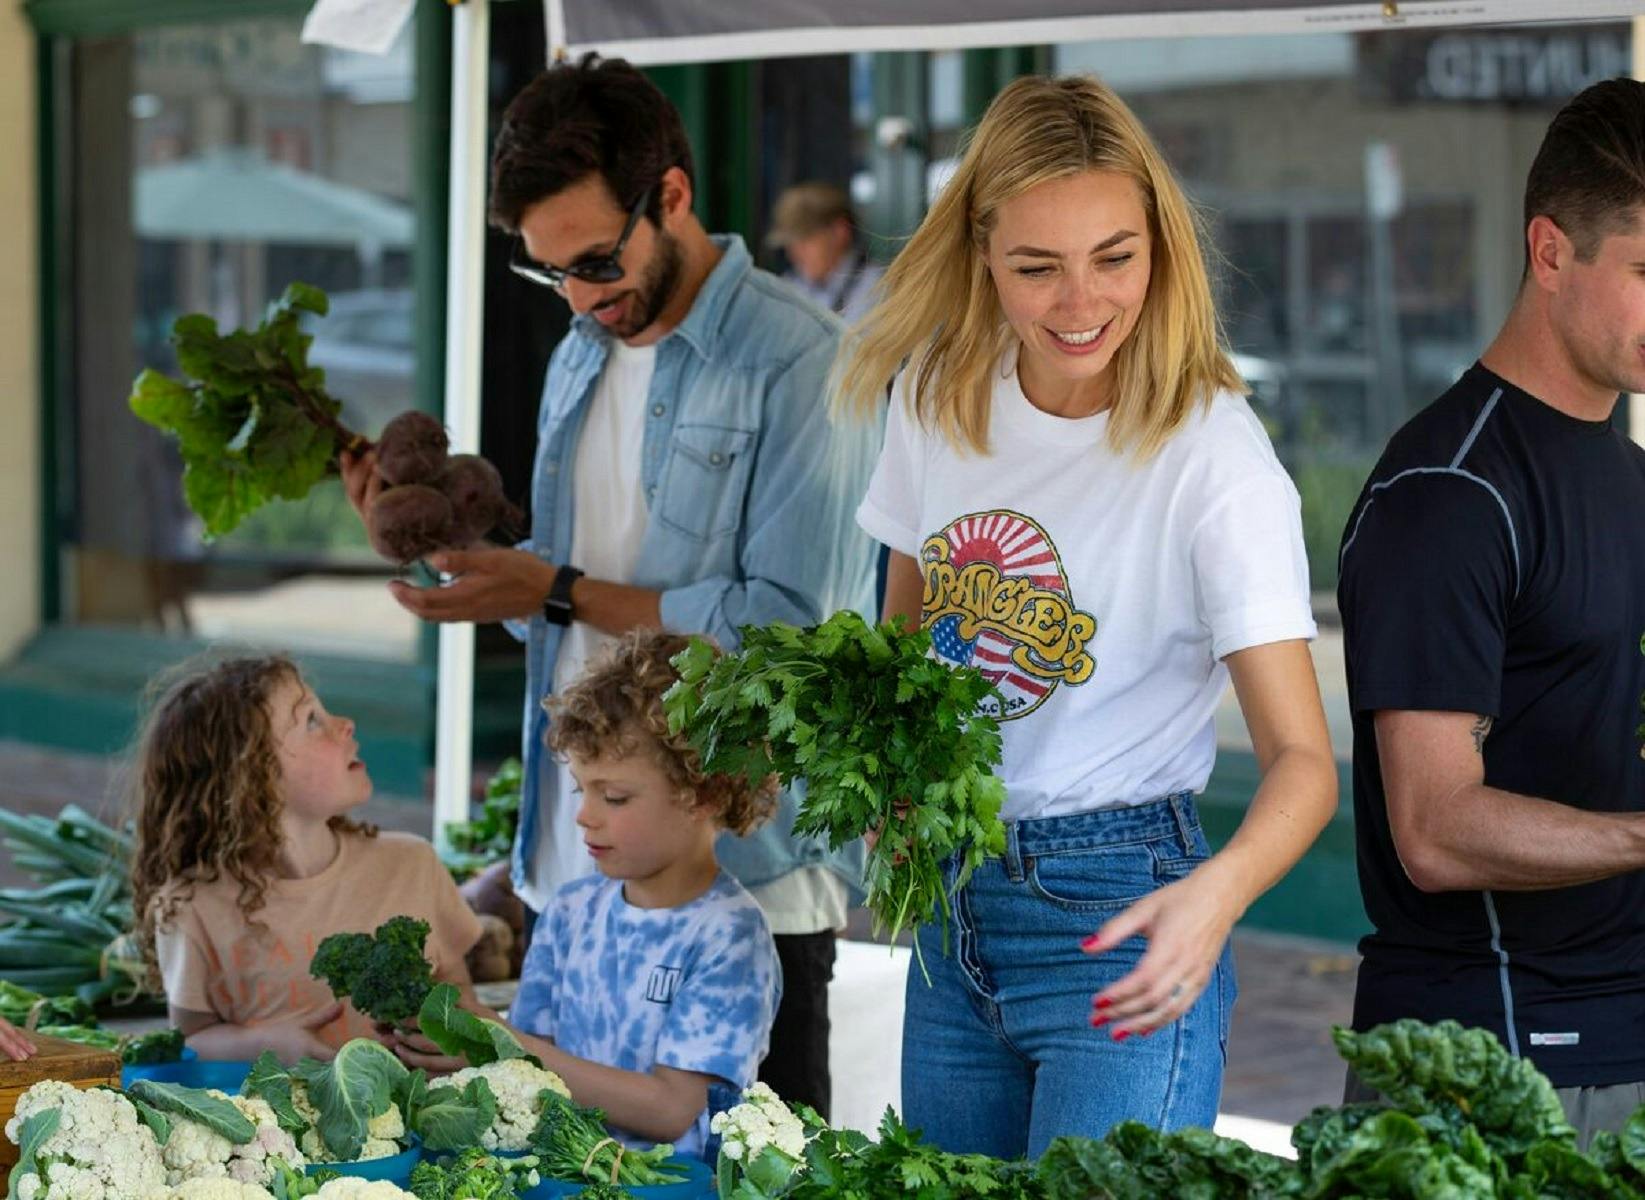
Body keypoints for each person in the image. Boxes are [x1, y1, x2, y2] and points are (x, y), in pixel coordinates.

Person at [340, 53, 873, 1119]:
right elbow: (576, 601)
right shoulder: (581, 351)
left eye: (593, 260)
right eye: (551, 276)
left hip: (744, 879)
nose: (580, 298)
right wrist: (470, 555)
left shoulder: (803, 361)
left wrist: (550, 589)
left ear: (669, 196)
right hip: (575, 875)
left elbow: (786, 631)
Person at [834, 73, 1338, 1157]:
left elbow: (1303, 760)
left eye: (1114, 258)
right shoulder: (936, 396)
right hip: (949, 909)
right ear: (980, 254)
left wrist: (1213, 902)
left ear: (1160, 249)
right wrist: (887, 788)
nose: (1080, 302)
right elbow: (900, 654)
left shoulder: (1213, 456)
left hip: (1121, 911)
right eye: (1036, 267)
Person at [1336, 78, 1645, 1143]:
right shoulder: (1448, 495)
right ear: (1551, 251)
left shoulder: (1630, 473)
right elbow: (1432, 829)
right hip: (1487, 1066)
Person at [390, 629, 781, 1159]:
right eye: (582, 788)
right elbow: (526, 1070)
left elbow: (672, 1110)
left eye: (615, 796)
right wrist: (467, 1040)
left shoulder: (730, 936)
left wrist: (505, 1041)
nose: (584, 815)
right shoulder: (570, 911)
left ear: (705, 793)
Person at [130, 654, 484, 1063]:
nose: (345, 723)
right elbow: (189, 1042)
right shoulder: (190, 907)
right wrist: (267, 1044)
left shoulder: (413, 864)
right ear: (250, 776)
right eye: (311, 720)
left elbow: (460, 999)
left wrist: (448, 1040)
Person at [767, 182, 884, 324]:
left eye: (805, 241)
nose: (795, 255)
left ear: (840, 231)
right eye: (791, 245)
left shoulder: (879, 289)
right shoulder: (788, 287)